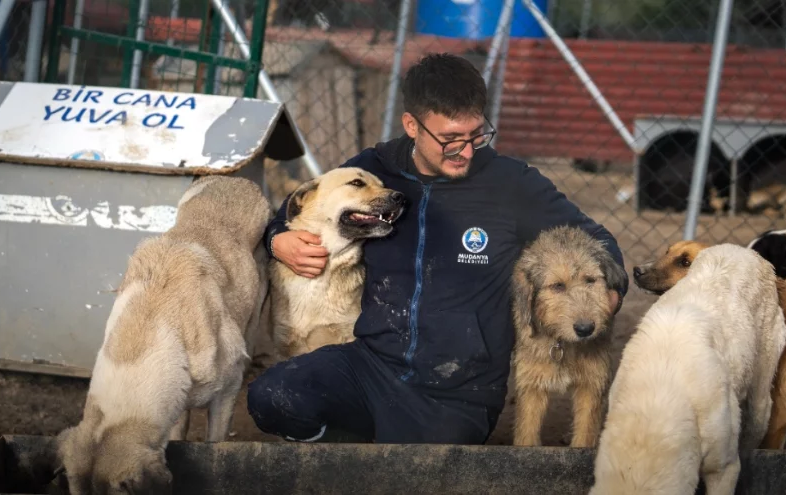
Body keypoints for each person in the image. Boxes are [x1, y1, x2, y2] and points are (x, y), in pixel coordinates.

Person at [246, 52, 628, 444]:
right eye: (449, 139)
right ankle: (352, 454)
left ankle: (367, 457)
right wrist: (279, 240)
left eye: (476, 135)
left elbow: (596, 239)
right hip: (371, 364)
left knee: (421, 460)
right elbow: (304, 206)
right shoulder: (374, 171)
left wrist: (608, 294)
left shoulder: (511, 184)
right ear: (412, 125)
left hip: (457, 391)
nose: (465, 150)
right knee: (273, 397)